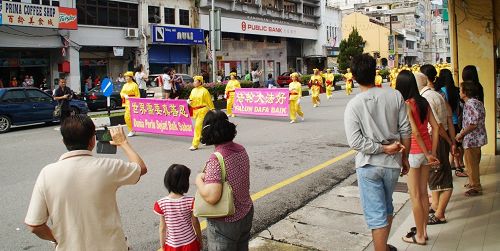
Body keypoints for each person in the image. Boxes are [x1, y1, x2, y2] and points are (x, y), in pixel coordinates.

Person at [24, 115, 147, 250]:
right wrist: (123, 142)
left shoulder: (46, 173)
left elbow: (34, 225)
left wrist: (58, 238)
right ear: (92, 141)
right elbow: (140, 168)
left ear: (63, 141)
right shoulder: (108, 166)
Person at [344, 54, 411, 251]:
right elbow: (406, 129)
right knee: (387, 205)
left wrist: (381, 148)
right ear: (375, 72)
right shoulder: (395, 95)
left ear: (354, 77)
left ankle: (380, 248)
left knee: (376, 213)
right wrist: (404, 158)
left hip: (368, 165)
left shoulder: (354, 105)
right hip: (392, 164)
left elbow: (355, 141)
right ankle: (384, 246)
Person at [195, 110, 253, 251]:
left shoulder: (216, 158)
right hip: (246, 212)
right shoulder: (240, 149)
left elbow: (212, 197)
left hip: (226, 221)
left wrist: (198, 180)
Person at [396, 70, 440, 245]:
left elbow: (414, 132)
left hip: (414, 153)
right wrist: (432, 152)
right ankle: (424, 232)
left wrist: (428, 153)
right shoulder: (423, 102)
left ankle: (420, 235)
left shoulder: (407, 104)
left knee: (415, 195)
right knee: (423, 194)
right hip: (426, 152)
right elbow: (435, 128)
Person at [416, 67, 455, 225]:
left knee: (441, 177)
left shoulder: (426, 97)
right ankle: (436, 206)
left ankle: (440, 214)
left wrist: (448, 142)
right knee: (437, 176)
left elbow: (437, 125)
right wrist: (451, 141)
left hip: (436, 139)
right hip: (440, 138)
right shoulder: (436, 94)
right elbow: (448, 117)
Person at [154, 164, 202, 251]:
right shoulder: (191, 201)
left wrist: (162, 246)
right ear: (185, 183)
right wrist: (200, 239)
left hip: (172, 245)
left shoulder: (160, 204)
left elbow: (162, 227)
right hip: (190, 242)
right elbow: (195, 223)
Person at [456, 81, 487, 196]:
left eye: (460, 90)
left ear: (465, 92)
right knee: (472, 163)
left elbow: (472, 124)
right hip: (477, 139)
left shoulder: (470, 104)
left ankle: (475, 187)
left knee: (471, 164)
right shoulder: (478, 102)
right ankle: (472, 182)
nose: (459, 92)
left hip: (472, 139)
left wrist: (461, 134)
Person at [437, 69, 466, 177]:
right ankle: (457, 166)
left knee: (448, 146)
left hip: (446, 123)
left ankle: (451, 167)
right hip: (456, 122)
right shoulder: (456, 90)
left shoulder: (441, 91)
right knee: (455, 145)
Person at [188, 76, 214, 151]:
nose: (194, 82)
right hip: (195, 110)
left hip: (203, 110)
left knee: (197, 126)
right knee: (203, 126)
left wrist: (213, 109)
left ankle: (195, 144)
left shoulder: (204, 91)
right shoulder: (193, 90)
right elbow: (191, 99)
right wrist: (189, 101)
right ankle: (206, 139)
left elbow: (209, 101)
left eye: (196, 81)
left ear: (200, 82)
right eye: (194, 81)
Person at [121, 71, 140, 137]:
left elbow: (137, 95)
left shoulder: (134, 85)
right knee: (127, 117)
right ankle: (132, 129)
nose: (126, 78)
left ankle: (132, 130)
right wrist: (124, 95)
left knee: (128, 117)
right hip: (126, 103)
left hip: (132, 103)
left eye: (127, 76)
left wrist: (135, 102)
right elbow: (121, 93)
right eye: (125, 76)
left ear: (131, 77)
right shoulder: (125, 85)